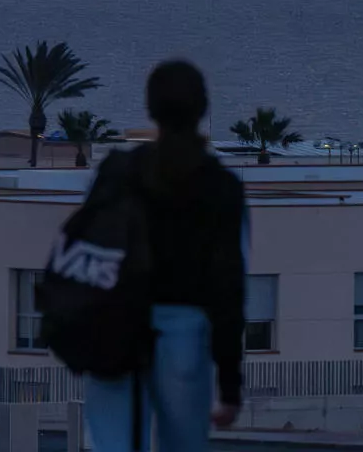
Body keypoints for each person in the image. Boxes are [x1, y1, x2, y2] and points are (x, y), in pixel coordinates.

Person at [85, 59, 247, 452]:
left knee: (112, 445)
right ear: (202, 109)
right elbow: (228, 288)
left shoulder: (116, 172)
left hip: (115, 329)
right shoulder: (220, 186)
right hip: (183, 333)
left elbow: (88, 252)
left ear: (150, 108)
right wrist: (229, 385)